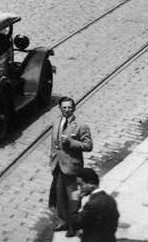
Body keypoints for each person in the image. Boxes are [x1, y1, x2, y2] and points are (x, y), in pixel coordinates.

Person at [47, 96, 91, 233]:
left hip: (72, 168)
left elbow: (88, 146)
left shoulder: (81, 126)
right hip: (58, 166)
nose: (67, 110)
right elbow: (53, 143)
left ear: (74, 108)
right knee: (60, 195)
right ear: (60, 108)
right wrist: (52, 159)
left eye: (69, 107)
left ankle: (74, 224)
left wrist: (72, 143)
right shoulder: (56, 122)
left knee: (74, 198)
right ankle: (63, 222)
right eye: (64, 107)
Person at [76, 168, 119, 242]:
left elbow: (76, 222)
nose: (80, 189)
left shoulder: (91, 204)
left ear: (91, 184)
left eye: (81, 185)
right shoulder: (111, 199)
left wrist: (75, 201)